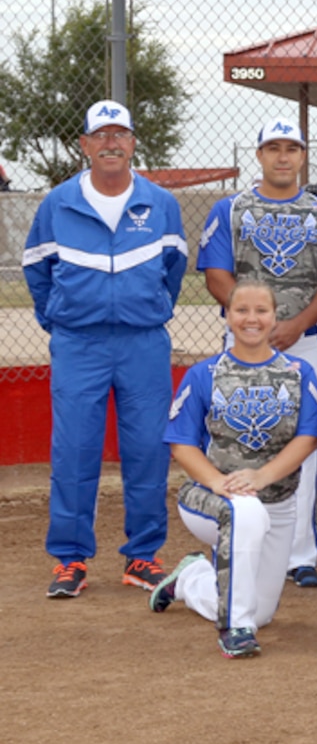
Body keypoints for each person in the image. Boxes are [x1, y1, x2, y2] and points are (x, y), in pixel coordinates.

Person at [24, 99, 187, 598]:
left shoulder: (161, 204)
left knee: (146, 451)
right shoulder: (58, 203)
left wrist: (147, 306)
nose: (112, 143)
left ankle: (142, 556)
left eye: (121, 134)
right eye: (102, 135)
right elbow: (37, 271)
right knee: (74, 450)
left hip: (143, 343)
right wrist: (62, 320)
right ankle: (70, 560)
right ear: (86, 145)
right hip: (79, 343)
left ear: (134, 143)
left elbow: (174, 271)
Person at [198, 119, 317, 589]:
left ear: (303, 157)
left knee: (300, 441)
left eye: (292, 149)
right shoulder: (231, 209)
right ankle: (234, 534)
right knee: (233, 435)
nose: (283, 157)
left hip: (301, 343)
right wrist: (253, 323)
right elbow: (216, 273)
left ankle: (299, 554)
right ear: (259, 155)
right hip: (241, 342)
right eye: (273, 148)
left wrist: (297, 323)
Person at [152, 280, 317, 657]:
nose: (251, 319)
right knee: (244, 510)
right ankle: (236, 629)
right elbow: (181, 442)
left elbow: (309, 438)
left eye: (261, 311)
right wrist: (218, 483)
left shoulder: (298, 373)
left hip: (277, 502)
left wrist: (262, 477)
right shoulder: (205, 374)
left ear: (275, 316)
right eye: (241, 310)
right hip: (210, 499)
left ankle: (192, 578)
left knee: (261, 610)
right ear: (227, 316)